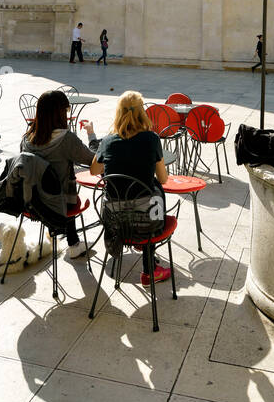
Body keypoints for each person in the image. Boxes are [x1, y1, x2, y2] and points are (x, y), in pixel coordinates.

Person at [91, 90, 171, 285]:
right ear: (141, 112)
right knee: (154, 190)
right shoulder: (151, 139)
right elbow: (163, 178)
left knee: (139, 194)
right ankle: (149, 269)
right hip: (148, 223)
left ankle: (140, 248)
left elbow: (94, 170)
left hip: (115, 222)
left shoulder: (108, 141)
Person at [21, 89, 99, 259]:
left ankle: (67, 237)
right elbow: (94, 161)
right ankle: (74, 244)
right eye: (66, 110)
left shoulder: (26, 138)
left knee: (56, 184)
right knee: (66, 189)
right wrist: (91, 134)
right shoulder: (66, 139)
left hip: (32, 203)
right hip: (61, 206)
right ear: (60, 113)